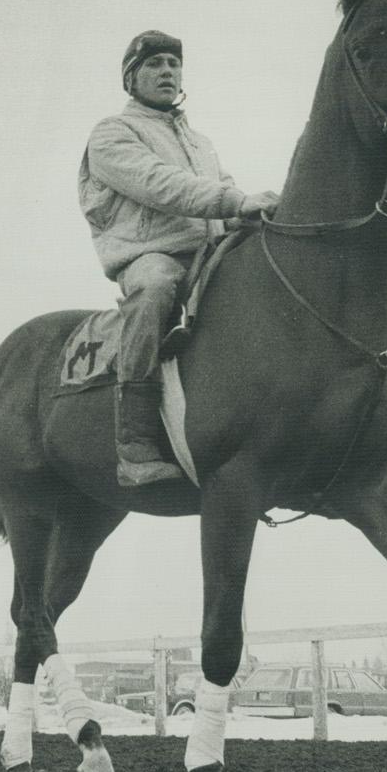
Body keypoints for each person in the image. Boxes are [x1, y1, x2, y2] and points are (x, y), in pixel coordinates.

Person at [77, 30, 281, 486]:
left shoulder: (200, 142)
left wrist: (260, 216)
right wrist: (236, 201)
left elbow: (223, 191)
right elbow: (158, 183)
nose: (167, 71)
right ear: (131, 78)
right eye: (154, 64)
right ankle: (135, 444)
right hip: (151, 255)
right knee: (155, 288)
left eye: (173, 63)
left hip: (208, 252)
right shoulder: (112, 133)